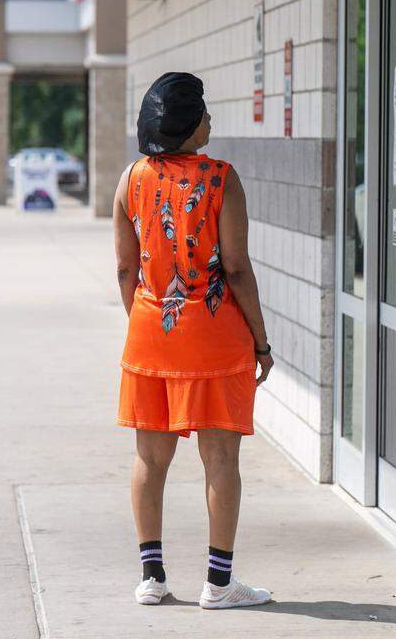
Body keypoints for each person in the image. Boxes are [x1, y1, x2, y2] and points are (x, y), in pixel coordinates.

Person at [113, 72, 275, 609]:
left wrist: (144, 322)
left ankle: (152, 578)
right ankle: (219, 583)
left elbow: (124, 268)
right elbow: (235, 267)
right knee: (221, 461)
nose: (210, 120)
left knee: (149, 459)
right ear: (186, 125)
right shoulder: (221, 178)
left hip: (149, 338)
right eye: (204, 113)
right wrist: (261, 340)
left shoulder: (131, 178)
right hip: (214, 340)